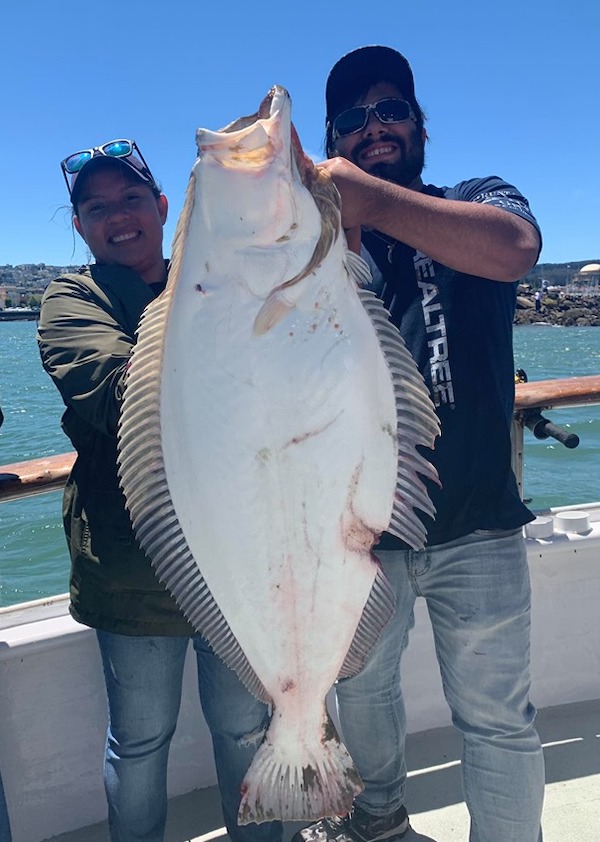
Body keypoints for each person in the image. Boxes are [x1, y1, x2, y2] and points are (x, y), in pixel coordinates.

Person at [294, 46, 545, 842]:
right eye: (351, 121)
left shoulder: (476, 199)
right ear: (334, 142)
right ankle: (379, 821)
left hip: (480, 521)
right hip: (367, 534)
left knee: (499, 719)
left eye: (390, 110)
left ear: (419, 123)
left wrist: (375, 204)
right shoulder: (311, 252)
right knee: (363, 695)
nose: (375, 129)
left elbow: (515, 250)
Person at [37, 140, 282, 842]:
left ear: (164, 208)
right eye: (97, 208)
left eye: (132, 199)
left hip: (236, 563)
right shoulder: (70, 299)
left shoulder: (215, 280)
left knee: (244, 729)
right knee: (139, 744)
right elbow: (122, 398)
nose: (118, 217)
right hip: (133, 571)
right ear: (80, 227)